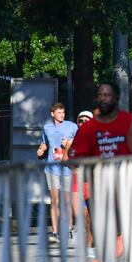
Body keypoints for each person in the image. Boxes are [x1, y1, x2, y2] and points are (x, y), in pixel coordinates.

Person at [66, 83, 132, 259]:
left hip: (122, 180)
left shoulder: (128, 122)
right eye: (100, 95)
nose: (103, 99)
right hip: (95, 182)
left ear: (117, 98)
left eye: (107, 95)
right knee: (97, 221)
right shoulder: (88, 128)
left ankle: (117, 235)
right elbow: (74, 157)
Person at [37, 102, 77, 243]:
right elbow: (44, 146)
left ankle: (70, 229)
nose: (62, 115)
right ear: (52, 114)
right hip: (52, 168)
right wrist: (41, 151)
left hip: (67, 167)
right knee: (54, 201)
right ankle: (54, 233)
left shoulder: (72, 126)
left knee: (67, 201)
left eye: (63, 112)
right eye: (59, 112)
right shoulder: (47, 128)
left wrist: (69, 144)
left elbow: (78, 145)